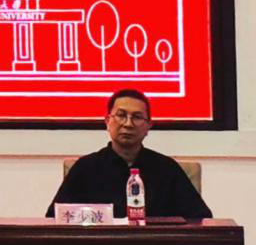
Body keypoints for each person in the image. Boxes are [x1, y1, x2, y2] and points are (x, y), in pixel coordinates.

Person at [47, 88, 211, 218]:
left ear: (148, 126)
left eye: (137, 117)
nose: (128, 124)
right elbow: (56, 217)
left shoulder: (167, 169)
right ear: (107, 121)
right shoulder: (85, 168)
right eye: (121, 115)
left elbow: (200, 219)